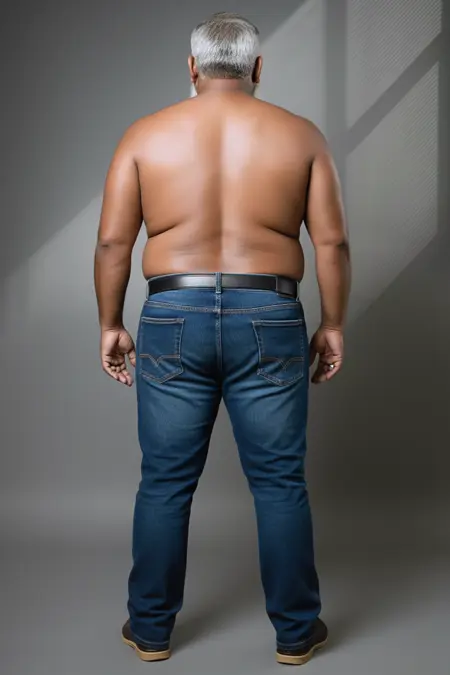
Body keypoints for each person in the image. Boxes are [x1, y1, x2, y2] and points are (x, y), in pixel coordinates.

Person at [94, 11, 350, 667]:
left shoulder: (144, 135)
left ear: (191, 67)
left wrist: (111, 323)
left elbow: (113, 243)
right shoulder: (301, 136)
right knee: (280, 482)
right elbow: (332, 243)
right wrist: (332, 323)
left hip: (171, 314)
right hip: (269, 313)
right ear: (258, 68)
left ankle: (151, 630)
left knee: (164, 482)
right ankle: (296, 633)